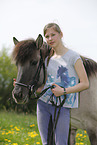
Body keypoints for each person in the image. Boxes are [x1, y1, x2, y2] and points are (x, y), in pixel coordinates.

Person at [36, 23, 89, 145]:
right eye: (47, 36)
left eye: (53, 35)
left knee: (61, 143)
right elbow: (48, 85)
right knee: (46, 143)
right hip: (43, 104)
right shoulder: (47, 58)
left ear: (61, 34)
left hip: (63, 106)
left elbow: (85, 83)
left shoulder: (73, 57)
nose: (50, 39)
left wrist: (64, 91)